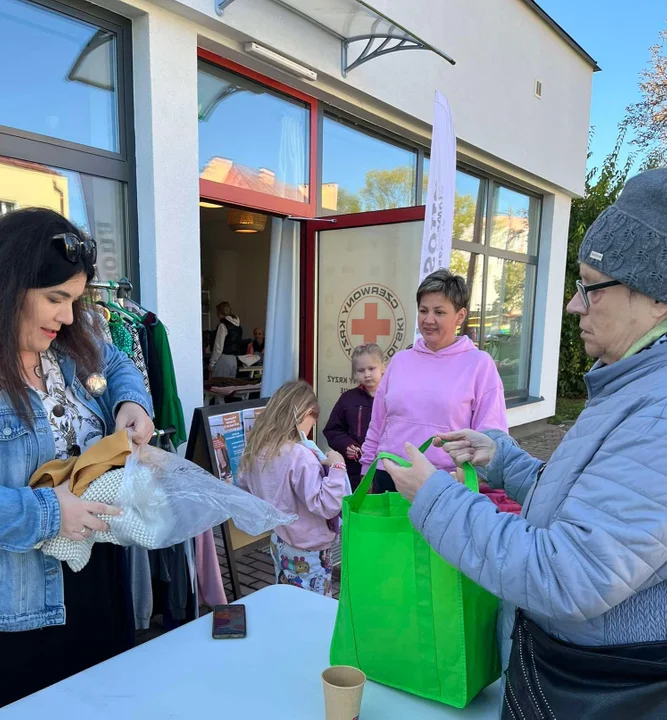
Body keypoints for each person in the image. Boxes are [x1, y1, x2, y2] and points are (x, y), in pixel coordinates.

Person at [385, 169, 667, 718]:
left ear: (656, 298)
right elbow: (586, 505)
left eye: (591, 287)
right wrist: (506, 461)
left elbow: (570, 573)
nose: (573, 306)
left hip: (590, 687)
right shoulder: (629, 384)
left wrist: (435, 499)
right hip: (570, 673)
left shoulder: (658, 411)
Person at [0, 208, 154, 708]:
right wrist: (50, 513)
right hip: (26, 605)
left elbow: (114, 361)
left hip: (99, 573)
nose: (68, 316)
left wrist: (131, 401)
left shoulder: (65, 346)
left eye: (75, 300)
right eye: (54, 299)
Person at [360, 268, 520, 513]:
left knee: (434, 552)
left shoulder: (479, 364)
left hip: (444, 483)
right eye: (423, 310)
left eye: (439, 312)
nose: (428, 320)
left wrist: (471, 478)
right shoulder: (401, 361)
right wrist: (366, 470)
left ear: (460, 315)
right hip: (388, 477)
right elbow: (378, 423)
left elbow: (492, 434)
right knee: (388, 550)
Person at [238, 381, 347, 596]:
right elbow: (327, 506)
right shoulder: (300, 455)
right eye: (312, 422)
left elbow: (244, 486)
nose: (310, 430)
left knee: (286, 596)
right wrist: (337, 466)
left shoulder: (257, 448)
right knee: (313, 607)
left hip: (280, 540)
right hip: (309, 548)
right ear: (305, 413)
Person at [324, 343, 385, 491]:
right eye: (361, 370)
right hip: (355, 470)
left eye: (371, 368)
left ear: (383, 367)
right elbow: (333, 430)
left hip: (386, 467)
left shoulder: (392, 397)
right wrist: (347, 445)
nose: (367, 374)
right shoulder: (348, 399)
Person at [209, 301, 242, 378]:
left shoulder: (223, 325)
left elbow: (218, 346)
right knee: (230, 387)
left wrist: (212, 362)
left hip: (223, 359)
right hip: (234, 360)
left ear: (220, 312)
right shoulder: (238, 326)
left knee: (218, 387)